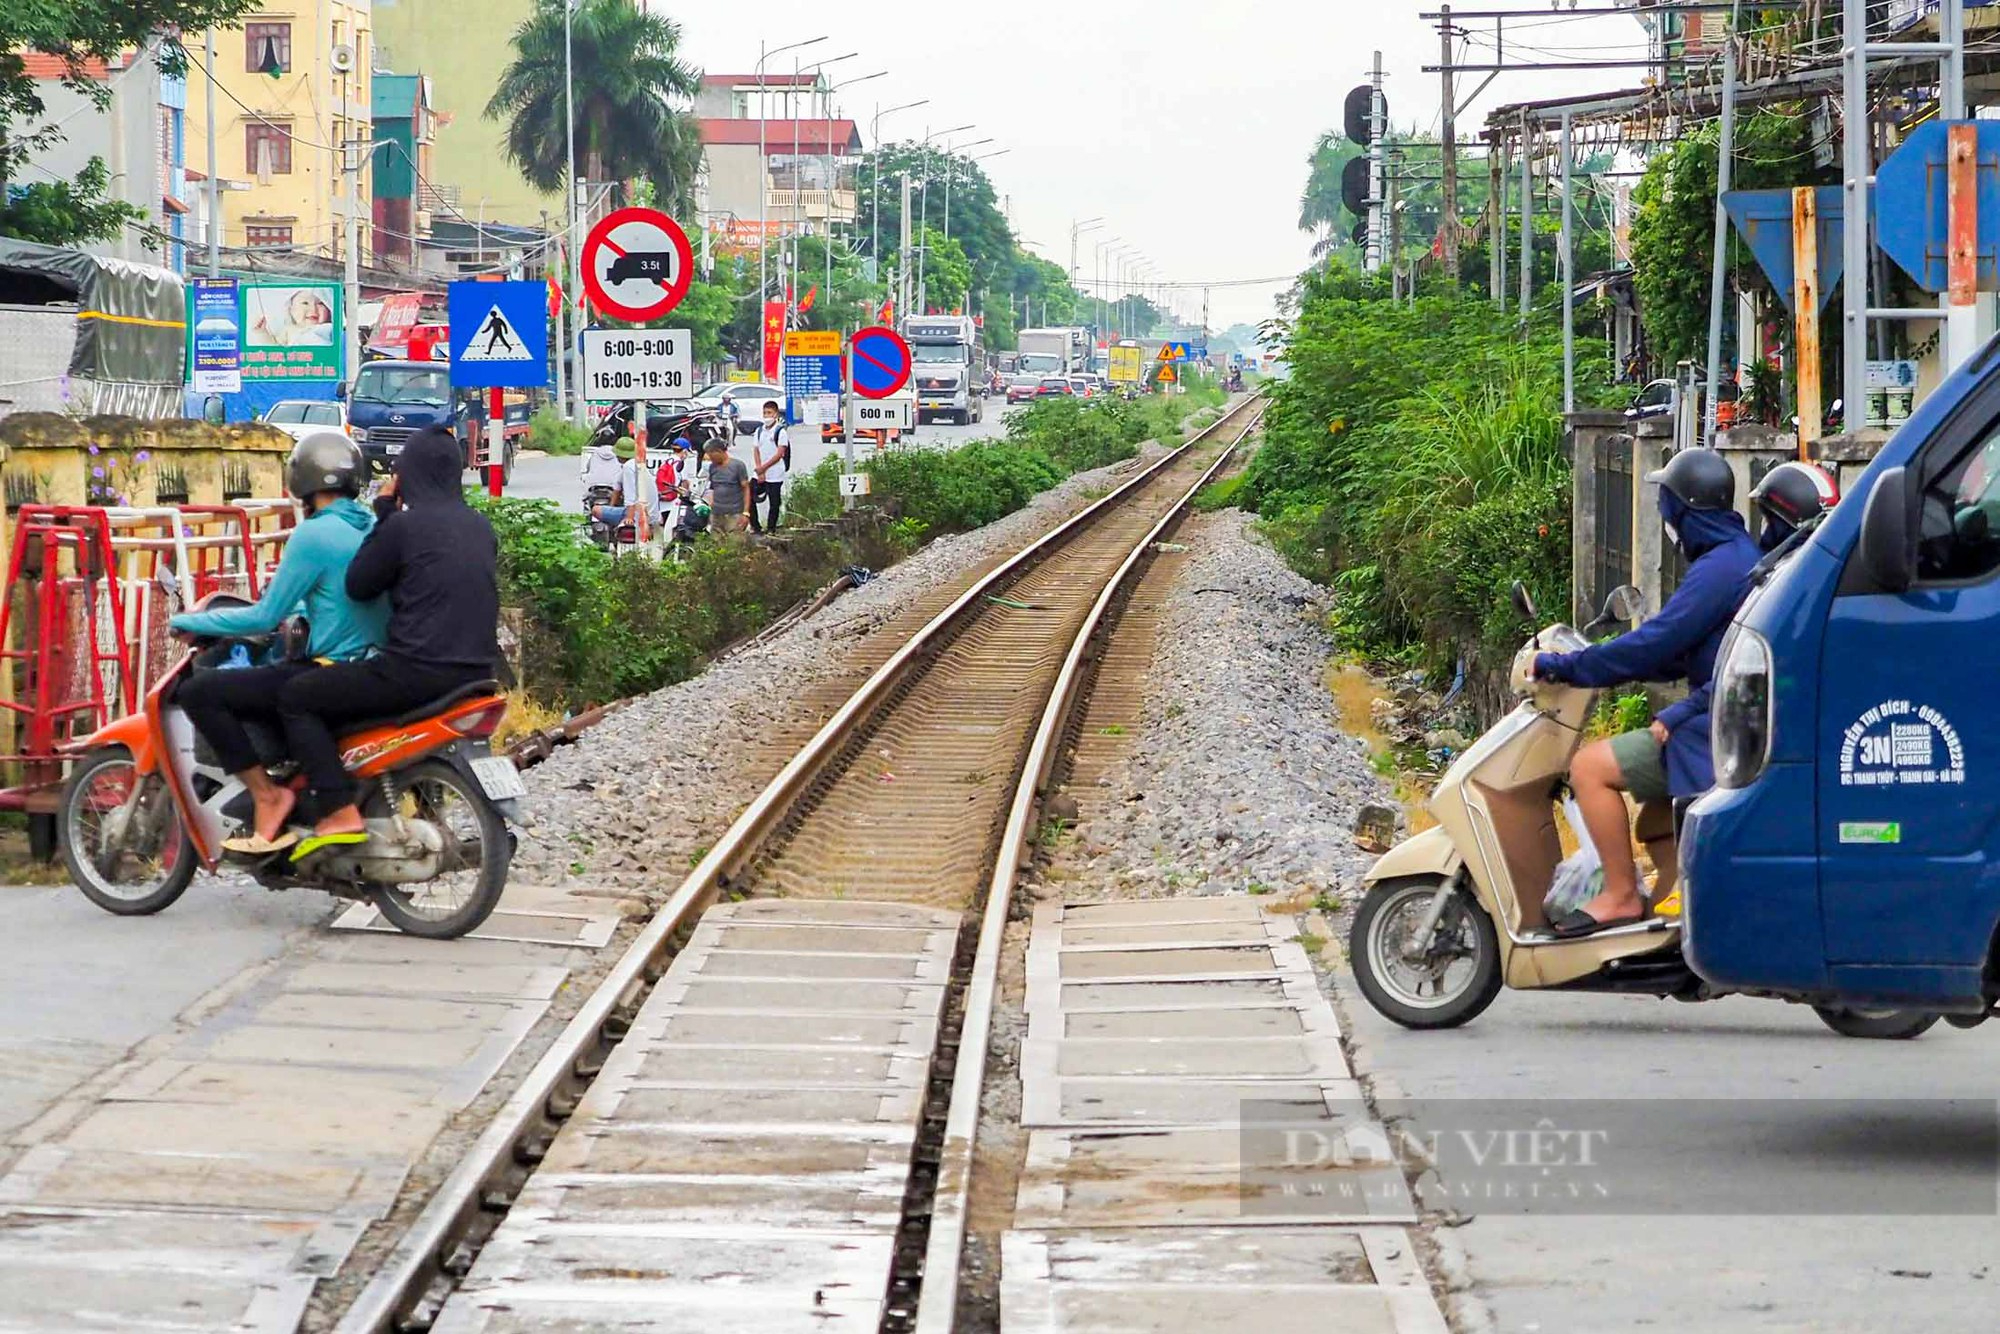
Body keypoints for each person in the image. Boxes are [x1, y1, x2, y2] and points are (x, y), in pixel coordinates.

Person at [1530, 447, 1759, 937]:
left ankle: (1620, 897)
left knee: (1589, 768)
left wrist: (1568, 667)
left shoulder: (1720, 567)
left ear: (1686, 508)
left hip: (1711, 726)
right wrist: (1631, 667)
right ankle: (1675, 912)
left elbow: (1658, 640)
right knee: (1653, 825)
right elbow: (1682, 649)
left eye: (1668, 504)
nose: (1666, 516)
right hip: (1719, 715)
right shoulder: (1734, 553)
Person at [273, 426, 501, 860]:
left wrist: (385, 512)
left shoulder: (404, 526)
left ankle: (336, 810)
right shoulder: (479, 526)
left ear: (407, 476)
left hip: (414, 674)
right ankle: (417, 807)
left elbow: (360, 585)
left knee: (297, 696)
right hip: (476, 675)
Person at [169, 433, 389, 856]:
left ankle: (268, 796)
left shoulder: (314, 535)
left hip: (330, 669)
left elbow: (264, 616)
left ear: (301, 482)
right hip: (375, 668)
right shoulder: (373, 526)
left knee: (200, 692)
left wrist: (190, 621)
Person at [750, 401, 791, 533]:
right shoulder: (759, 431)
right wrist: (759, 469)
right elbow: (756, 450)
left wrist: (764, 468)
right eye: (765, 413)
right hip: (759, 473)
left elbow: (779, 454)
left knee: (774, 502)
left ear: (776, 414)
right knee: (749, 496)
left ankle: (771, 528)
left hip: (774, 473)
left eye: (769, 413)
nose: (766, 416)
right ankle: (755, 526)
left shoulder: (780, 432)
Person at [703, 440, 752, 536]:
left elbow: (746, 489)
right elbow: (713, 487)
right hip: (717, 514)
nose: (711, 460)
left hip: (734, 513)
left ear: (719, 451)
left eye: (712, 456)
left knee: (734, 543)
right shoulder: (712, 467)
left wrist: (746, 513)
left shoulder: (738, 466)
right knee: (716, 543)